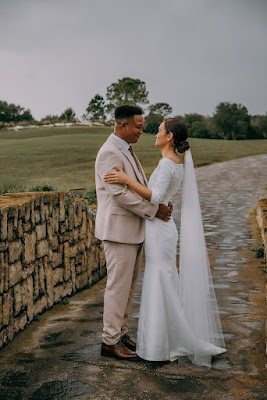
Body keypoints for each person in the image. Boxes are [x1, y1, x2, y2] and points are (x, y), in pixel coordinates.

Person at [104, 117, 226, 367]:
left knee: (160, 279)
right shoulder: (175, 163)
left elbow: (157, 196)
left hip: (159, 230)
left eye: (159, 131)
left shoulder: (167, 164)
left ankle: (160, 344)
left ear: (170, 137)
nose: (154, 134)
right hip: (163, 228)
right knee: (163, 279)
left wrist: (127, 180)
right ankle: (166, 339)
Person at [95, 105, 172, 360]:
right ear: (122, 125)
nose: (142, 131)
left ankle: (121, 333)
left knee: (128, 287)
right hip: (118, 232)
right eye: (138, 126)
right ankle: (109, 341)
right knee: (117, 287)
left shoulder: (126, 150)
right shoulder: (109, 152)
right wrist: (154, 211)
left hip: (132, 231)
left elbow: (137, 186)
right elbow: (119, 195)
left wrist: (158, 203)